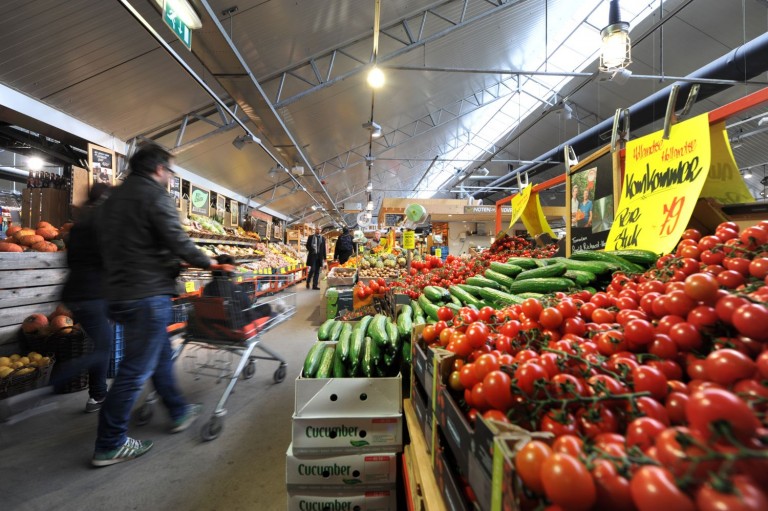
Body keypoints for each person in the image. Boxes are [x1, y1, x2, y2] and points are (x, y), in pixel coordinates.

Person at [92, 143, 229, 467]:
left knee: (161, 354)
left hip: (118, 294)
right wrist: (210, 263)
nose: (169, 177)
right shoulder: (154, 196)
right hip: (147, 296)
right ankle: (109, 444)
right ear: (158, 169)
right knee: (134, 371)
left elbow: (132, 244)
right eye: (169, 171)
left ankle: (178, 410)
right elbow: (178, 240)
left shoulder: (112, 200)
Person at [57, 182, 113, 413]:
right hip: (92, 296)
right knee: (103, 347)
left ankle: (98, 394)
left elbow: (71, 261)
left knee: (102, 344)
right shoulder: (102, 225)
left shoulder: (79, 225)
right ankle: (56, 381)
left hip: (75, 294)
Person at [202, 254, 272, 327]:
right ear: (230, 271)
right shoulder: (236, 289)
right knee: (266, 307)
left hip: (215, 324)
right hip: (237, 324)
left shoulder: (207, 288)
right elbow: (248, 310)